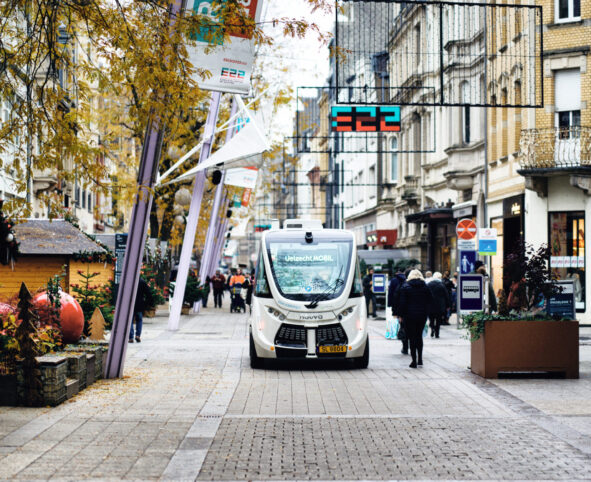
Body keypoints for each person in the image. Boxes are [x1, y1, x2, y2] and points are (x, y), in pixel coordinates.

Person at [396, 269, 434, 368]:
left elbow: (402, 303)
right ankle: (420, 359)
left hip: (409, 316)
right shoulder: (425, 287)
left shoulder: (405, 287)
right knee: (419, 336)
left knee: (411, 337)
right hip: (422, 315)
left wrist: (400, 315)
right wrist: (426, 312)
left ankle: (414, 361)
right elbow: (430, 300)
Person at [388, 268, 408, 354]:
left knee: (403, 326)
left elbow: (392, 294)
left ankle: (405, 346)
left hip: (400, 309)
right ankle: (411, 346)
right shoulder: (408, 282)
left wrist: (390, 306)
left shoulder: (395, 281)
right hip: (412, 310)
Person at [427, 272, 450, 338]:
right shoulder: (442, 285)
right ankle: (437, 333)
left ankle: (432, 328)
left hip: (430, 304)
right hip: (440, 305)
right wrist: (448, 305)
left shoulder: (429, 284)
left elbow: (426, 294)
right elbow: (446, 296)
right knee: (438, 320)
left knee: (431, 319)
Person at [129, 276, 152, 343]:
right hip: (139, 304)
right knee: (139, 320)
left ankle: (131, 337)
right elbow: (148, 293)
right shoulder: (142, 281)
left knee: (130, 321)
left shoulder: (129, 281)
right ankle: (138, 335)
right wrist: (147, 304)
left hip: (130, 304)